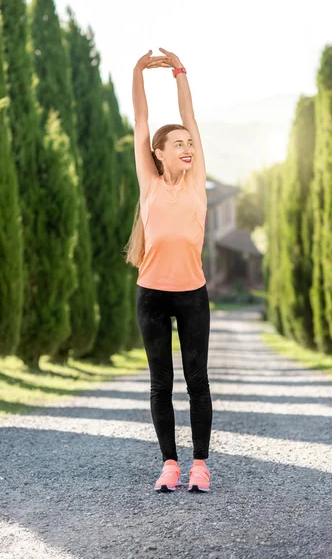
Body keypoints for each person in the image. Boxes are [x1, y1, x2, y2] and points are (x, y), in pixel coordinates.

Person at [124, 48, 212, 493]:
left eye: (190, 144)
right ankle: (170, 465)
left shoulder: (197, 182)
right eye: (178, 143)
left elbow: (190, 116)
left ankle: (199, 465)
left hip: (192, 293)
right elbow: (141, 122)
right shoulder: (150, 183)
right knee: (161, 383)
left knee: (197, 379)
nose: (188, 148)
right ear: (158, 153)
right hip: (152, 295)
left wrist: (179, 73)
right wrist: (139, 71)